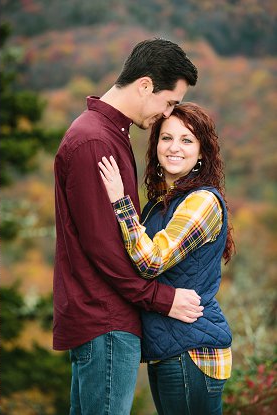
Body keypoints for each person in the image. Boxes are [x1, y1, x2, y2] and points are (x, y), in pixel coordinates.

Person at [52, 38, 207, 414]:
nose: (167, 112)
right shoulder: (94, 141)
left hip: (107, 318)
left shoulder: (109, 134)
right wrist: (162, 300)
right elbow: (105, 248)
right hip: (105, 320)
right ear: (145, 85)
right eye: (169, 102)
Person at [98, 103, 233, 414]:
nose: (174, 148)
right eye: (166, 138)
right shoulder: (160, 204)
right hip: (170, 347)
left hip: (192, 350)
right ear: (155, 144)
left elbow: (151, 261)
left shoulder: (203, 201)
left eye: (187, 140)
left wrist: (120, 201)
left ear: (202, 152)